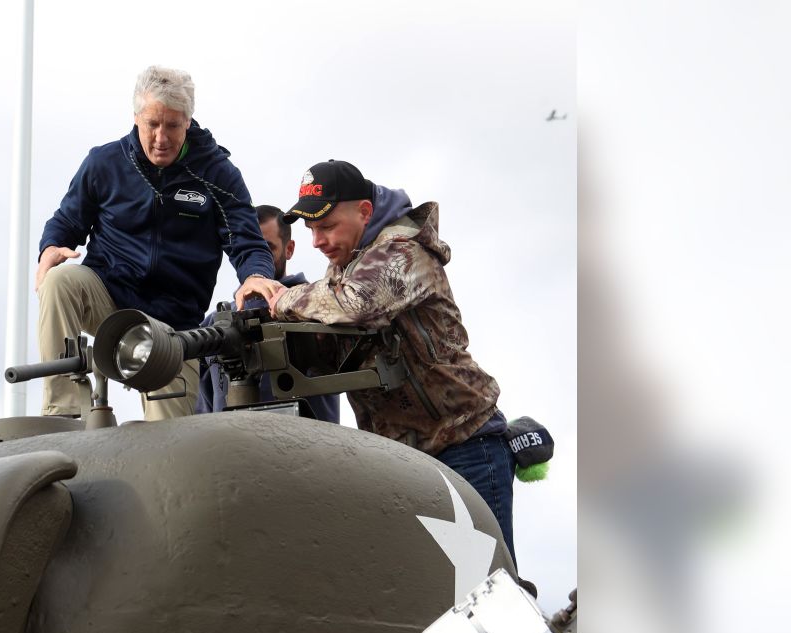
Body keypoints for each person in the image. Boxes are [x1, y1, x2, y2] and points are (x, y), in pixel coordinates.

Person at [269, 159, 518, 560]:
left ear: (364, 212)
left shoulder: (404, 252)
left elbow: (356, 304)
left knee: (491, 590)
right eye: (311, 229)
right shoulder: (344, 269)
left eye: (327, 225)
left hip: (464, 445)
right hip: (407, 464)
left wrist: (281, 298)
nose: (316, 240)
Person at [35, 65, 283, 420]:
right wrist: (50, 247)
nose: (161, 137)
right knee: (59, 280)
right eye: (153, 124)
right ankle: (63, 412)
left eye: (172, 125)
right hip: (108, 297)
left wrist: (256, 274)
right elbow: (67, 221)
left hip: (174, 328)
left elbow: (246, 240)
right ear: (136, 118)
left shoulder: (217, 174)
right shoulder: (104, 163)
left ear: (188, 121)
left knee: (173, 444)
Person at [196, 204, 340, 423]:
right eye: (252, 250)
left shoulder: (320, 307)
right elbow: (204, 406)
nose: (259, 258)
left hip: (309, 449)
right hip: (232, 450)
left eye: (268, 248)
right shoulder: (214, 324)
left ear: (289, 249)